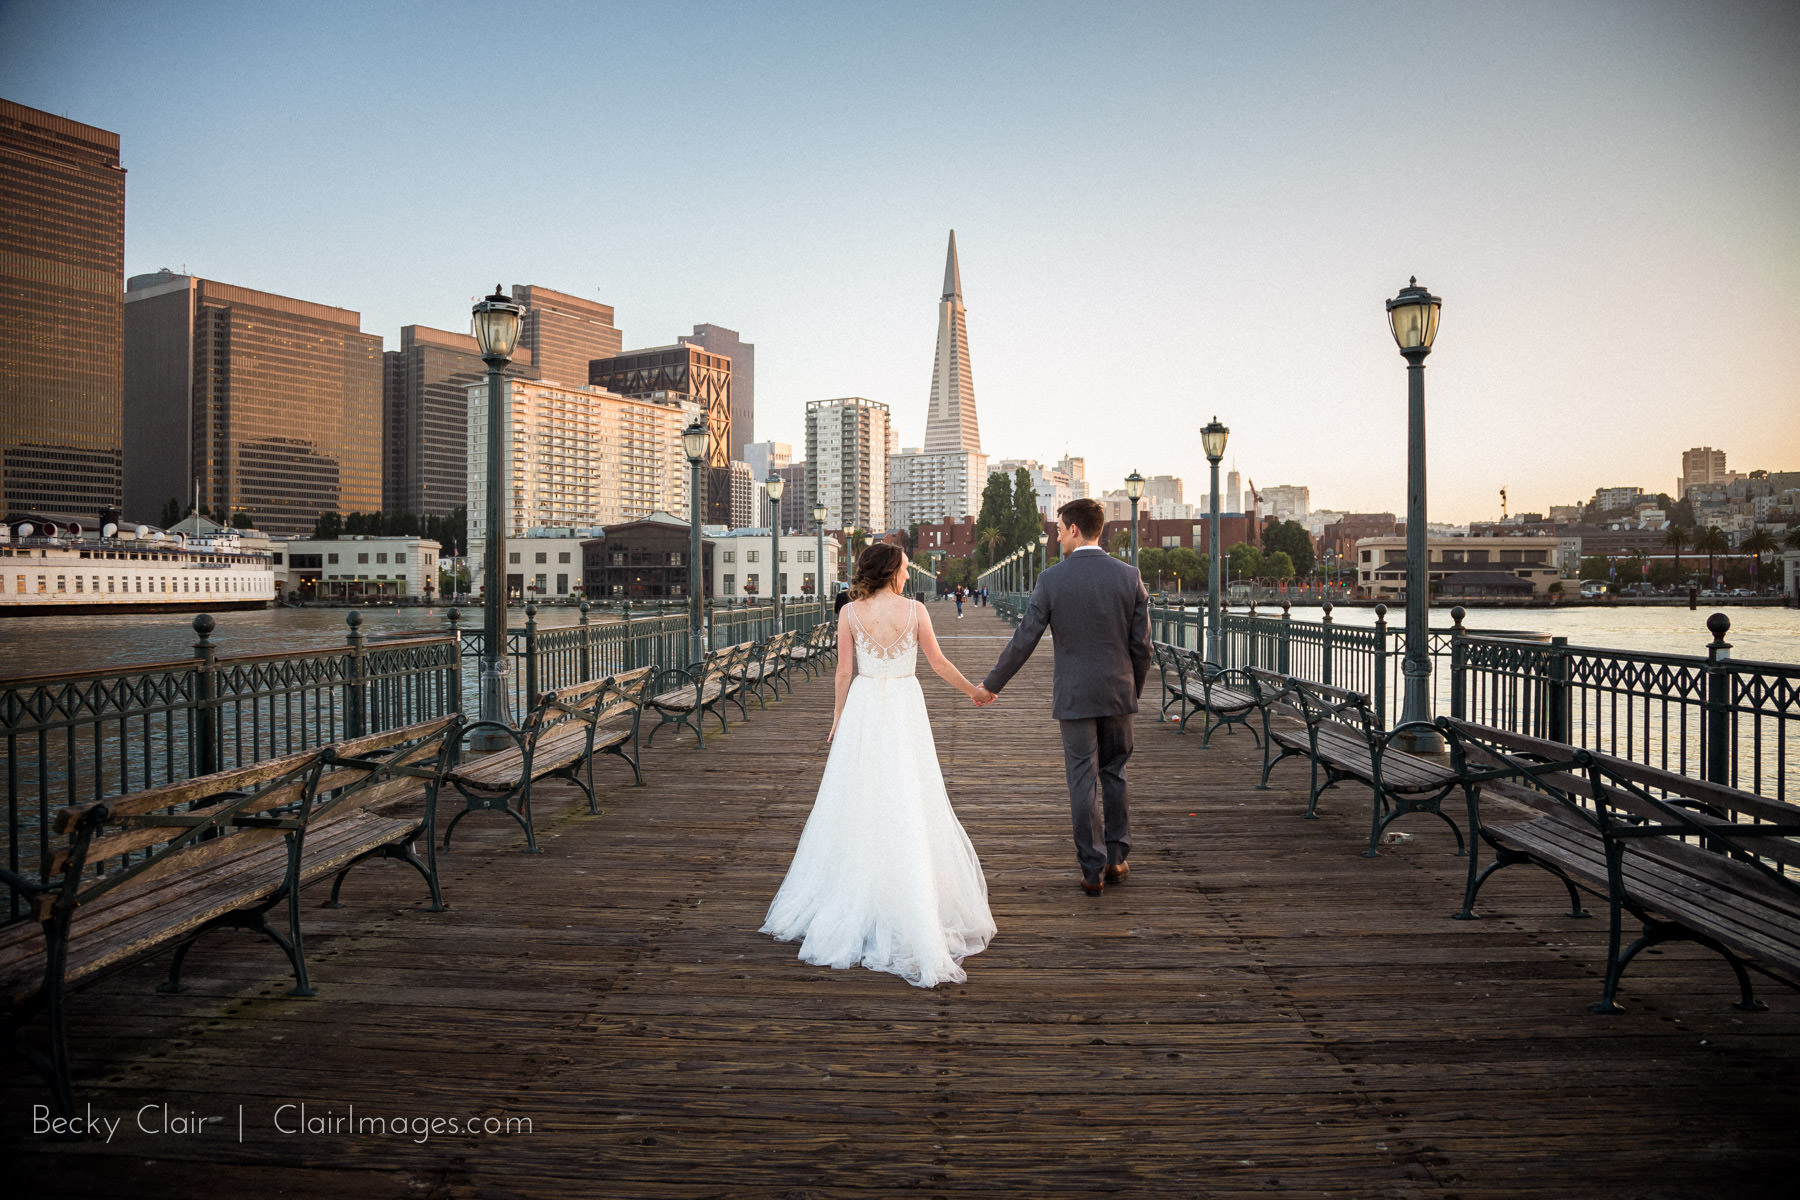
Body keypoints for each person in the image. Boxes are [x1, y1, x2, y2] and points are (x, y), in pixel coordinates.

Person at [761, 543, 996, 987]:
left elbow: (843, 672)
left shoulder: (849, 613)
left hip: (865, 708)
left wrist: (837, 719)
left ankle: (862, 891)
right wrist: (974, 690)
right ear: (892, 571)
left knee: (860, 797)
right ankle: (909, 899)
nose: (909, 573)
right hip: (905, 705)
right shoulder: (916, 611)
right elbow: (939, 663)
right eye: (906, 568)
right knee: (909, 794)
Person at [972, 498, 1150, 896]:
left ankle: (1092, 869)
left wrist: (991, 685)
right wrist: (1130, 692)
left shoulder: (1052, 580)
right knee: (1115, 773)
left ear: (1073, 529)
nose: (1056, 537)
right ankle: (1117, 859)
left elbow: (1025, 640)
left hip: (1074, 697)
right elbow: (1143, 648)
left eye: (1058, 529)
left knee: (1082, 780)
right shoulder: (1129, 576)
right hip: (1118, 694)